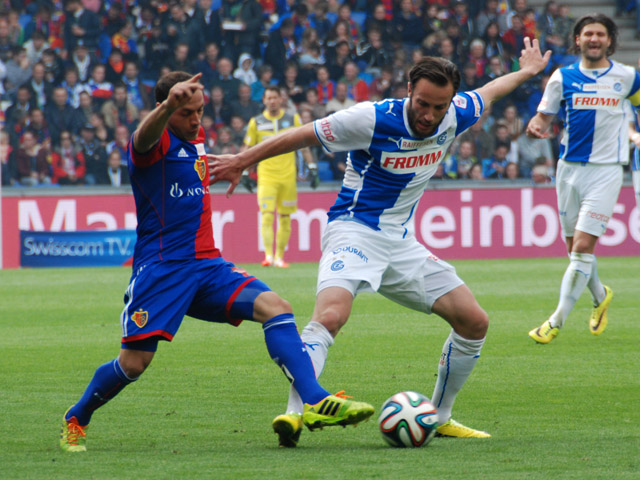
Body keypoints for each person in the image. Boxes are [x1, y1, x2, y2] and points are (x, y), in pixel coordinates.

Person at [210, 39, 550, 447]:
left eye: (438, 107)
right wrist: (241, 161)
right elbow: (302, 135)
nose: (429, 115)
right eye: (422, 103)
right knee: (330, 316)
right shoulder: (370, 118)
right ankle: (296, 414)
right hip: (353, 230)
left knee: (474, 322)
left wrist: (527, 71)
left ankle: (440, 416)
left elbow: (491, 90)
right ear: (408, 90)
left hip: (402, 242)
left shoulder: (457, 112)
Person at [59, 71, 374, 453]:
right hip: (163, 271)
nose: (196, 120)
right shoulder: (151, 144)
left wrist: (232, 166)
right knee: (134, 363)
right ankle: (76, 417)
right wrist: (167, 107)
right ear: (165, 109)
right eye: (185, 112)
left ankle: (315, 400)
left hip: (208, 266)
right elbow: (142, 137)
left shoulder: (197, 138)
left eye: (200, 111)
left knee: (277, 308)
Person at [526, 14, 640, 344]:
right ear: (578, 39)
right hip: (568, 170)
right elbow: (543, 117)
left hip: (606, 171)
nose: (594, 39)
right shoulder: (563, 77)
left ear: (609, 40)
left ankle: (554, 321)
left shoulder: (627, 77)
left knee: (583, 248)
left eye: (600, 34)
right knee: (574, 248)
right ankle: (600, 295)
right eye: (588, 33)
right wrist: (536, 126)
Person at [243, 85, 318, 269]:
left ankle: (279, 257)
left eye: (275, 98)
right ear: (264, 100)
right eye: (268, 98)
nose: (272, 101)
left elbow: (304, 144)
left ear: (280, 99)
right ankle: (268, 256)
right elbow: (248, 149)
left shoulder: (292, 119)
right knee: (267, 216)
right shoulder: (256, 122)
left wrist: (312, 167)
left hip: (287, 176)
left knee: (285, 217)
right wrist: (244, 171)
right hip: (266, 176)